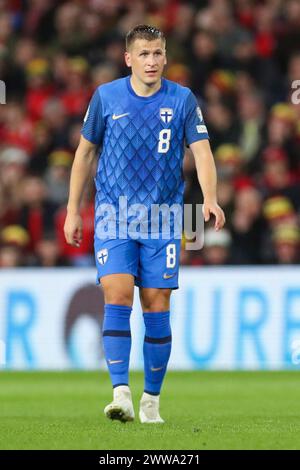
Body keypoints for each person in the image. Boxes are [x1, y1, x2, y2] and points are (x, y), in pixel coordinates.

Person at [64, 24, 225, 424]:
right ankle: (121, 393)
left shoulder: (183, 100)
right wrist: (72, 210)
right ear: (128, 59)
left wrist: (210, 198)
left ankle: (151, 399)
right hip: (113, 216)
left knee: (156, 305)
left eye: (157, 53)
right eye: (144, 54)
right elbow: (84, 154)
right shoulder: (106, 97)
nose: (151, 61)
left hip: (164, 218)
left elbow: (202, 152)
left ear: (165, 57)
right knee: (116, 294)